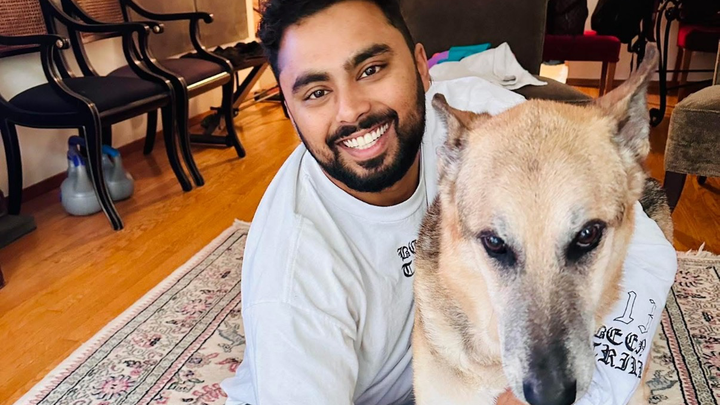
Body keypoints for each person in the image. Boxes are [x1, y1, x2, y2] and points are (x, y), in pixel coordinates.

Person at [220, 1, 678, 404]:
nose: (351, 110)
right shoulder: (292, 282)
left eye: (371, 69)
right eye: (317, 92)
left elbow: (652, 252)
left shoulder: (476, 123)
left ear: (422, 67)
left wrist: (612, 374)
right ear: (288, 108)